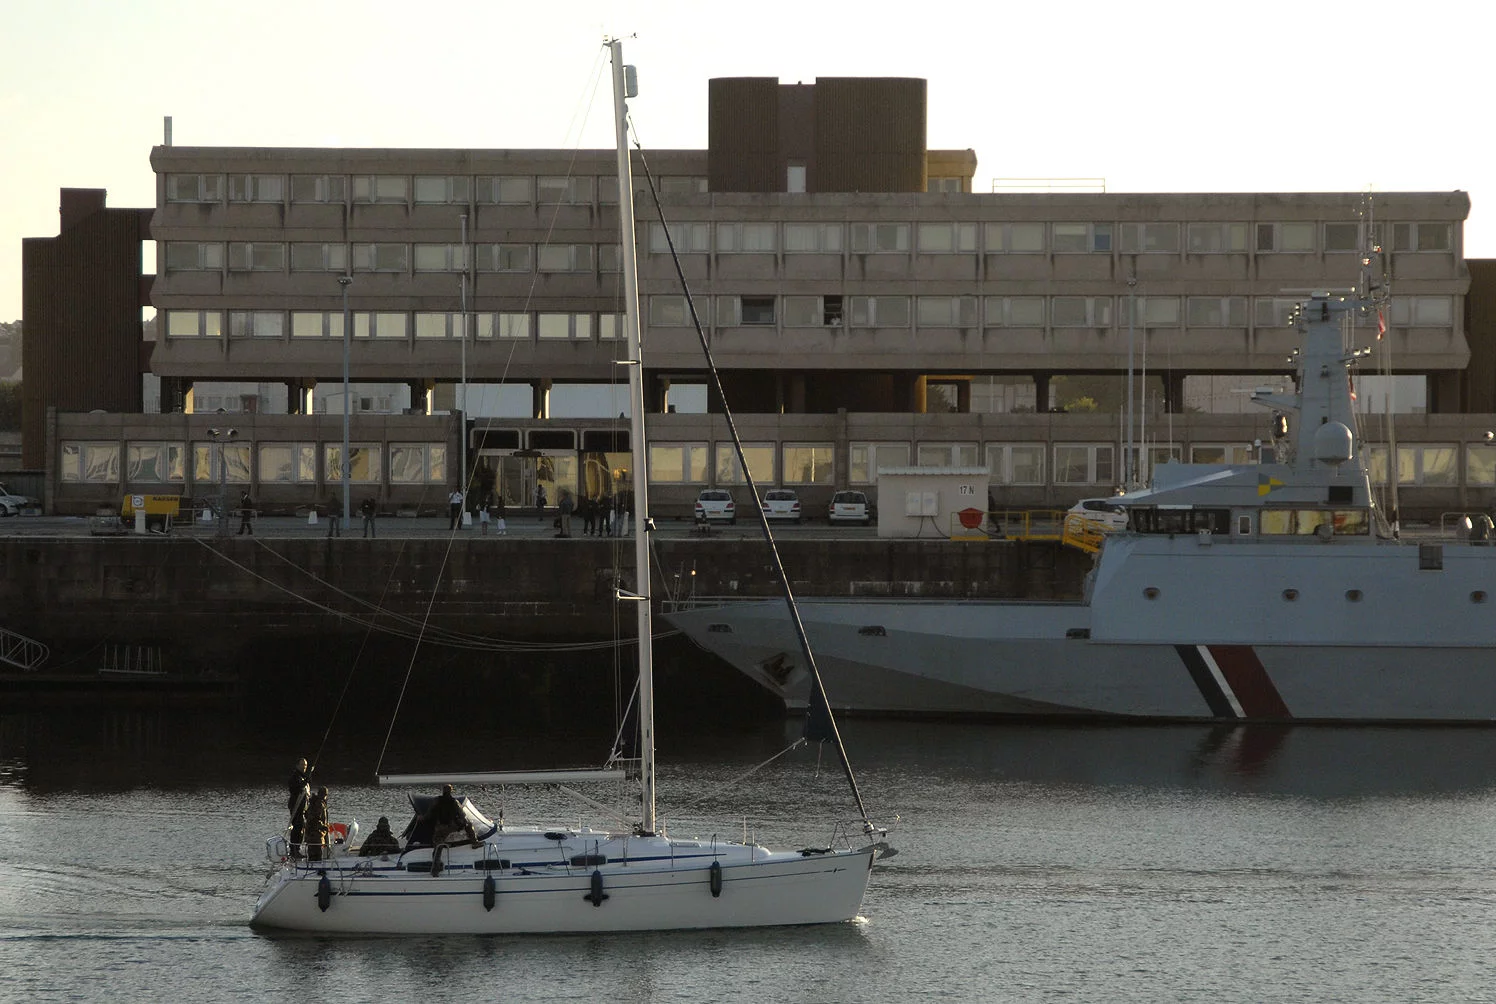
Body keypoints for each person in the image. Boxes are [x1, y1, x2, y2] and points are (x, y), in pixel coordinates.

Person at [427, 783, 478, 848]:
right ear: (451, 791)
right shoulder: (454, 802)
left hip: (439, 827)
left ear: (443, 791)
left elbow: (429, 813)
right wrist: (463, 822)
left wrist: (422, 818)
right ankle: (474, 842)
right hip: (451, 826)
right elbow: (462, 814)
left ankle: (440, 846)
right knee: (469, 824)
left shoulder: (436, 800)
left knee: (437, 838)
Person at [287, 757, 312, 858]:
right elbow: (294, 789)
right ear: (297, 765)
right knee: (297, 827)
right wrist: (304, 782)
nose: (304, 767)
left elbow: (306, 793)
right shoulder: (294, 777)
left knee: (301, 827)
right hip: (296, 806)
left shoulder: (302, 777)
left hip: (303, 807)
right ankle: (294, 850)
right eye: (302, 765)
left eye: (305, 765)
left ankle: (297, 849)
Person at [304, 785, 330, 862]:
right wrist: (323, 827)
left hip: (312, 834)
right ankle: (316, 871)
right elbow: (315, 819)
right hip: (315, 835)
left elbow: (307, 816)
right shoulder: (319, 804)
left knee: (313, 854)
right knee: (316, 856)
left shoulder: (313, 803)